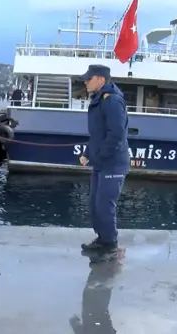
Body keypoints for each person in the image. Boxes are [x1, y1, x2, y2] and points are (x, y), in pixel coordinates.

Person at [78, 65, 129, 260]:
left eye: (88, 78)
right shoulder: (100, 99)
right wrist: (88, 153)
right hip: (102, 162)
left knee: (105, 204)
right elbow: (98, 134)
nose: (85, 82)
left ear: (100, 79)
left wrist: (99, 156)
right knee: (95, 204)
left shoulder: (112, 101)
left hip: (113, 162)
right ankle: (102, 239)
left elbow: (116, 135)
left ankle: (110, 245)